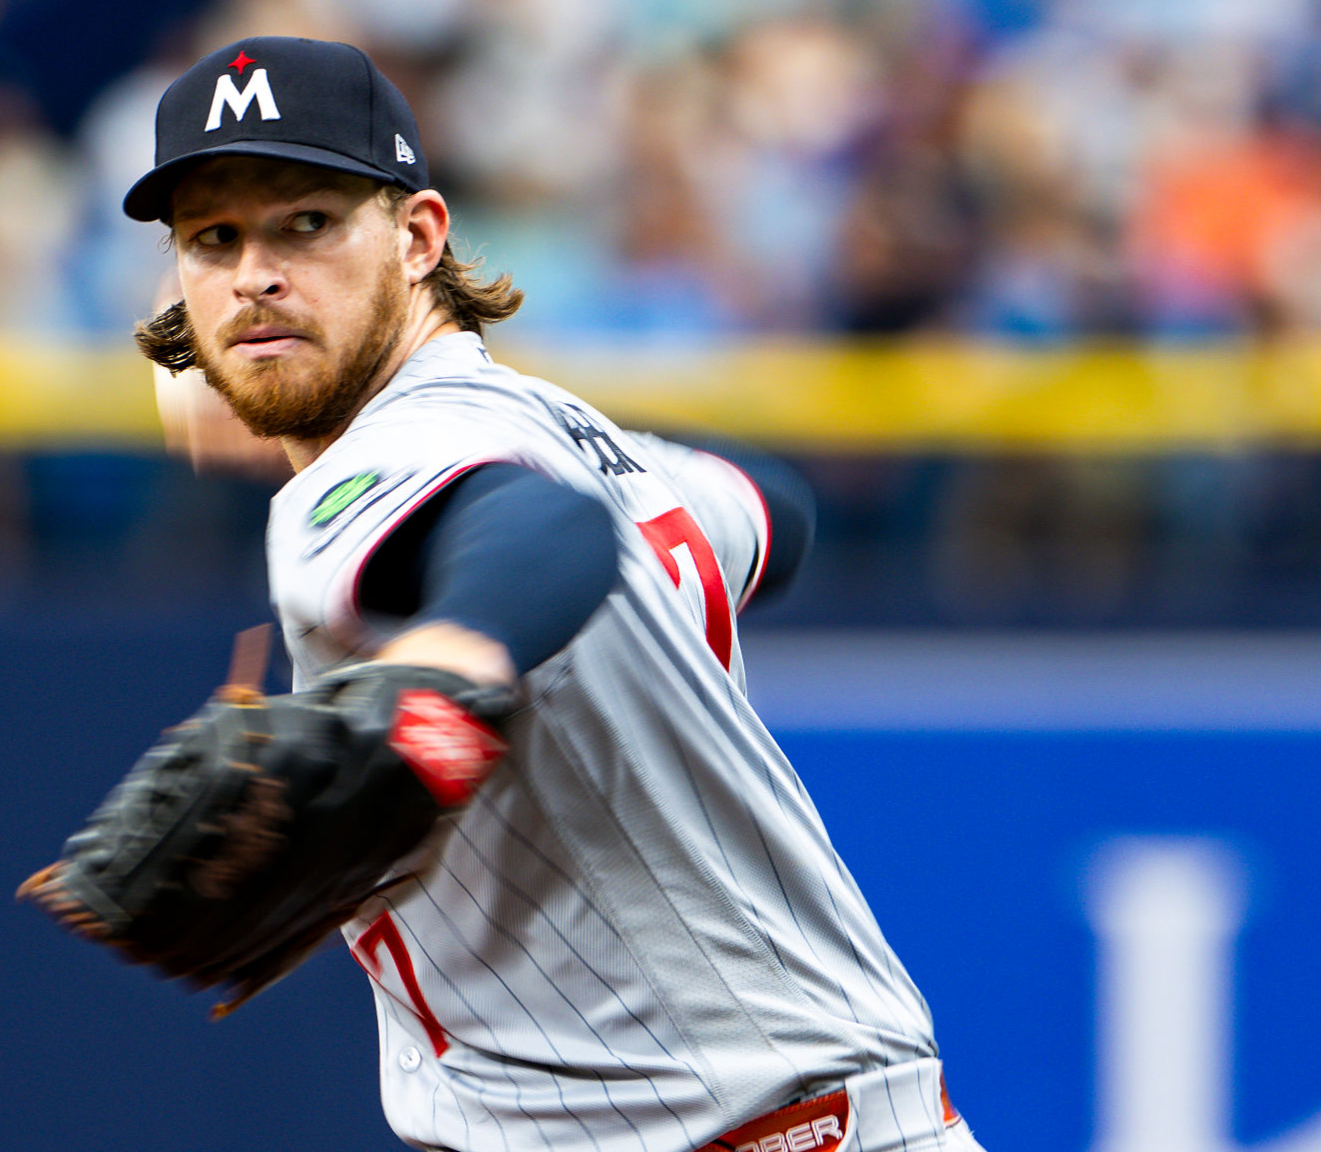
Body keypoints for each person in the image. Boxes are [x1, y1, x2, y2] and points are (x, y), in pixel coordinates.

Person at [122, 35, 985, 1152]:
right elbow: (774, 508)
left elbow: (537, 528)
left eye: (306, 223)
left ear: (418, 237)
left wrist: (441, 682)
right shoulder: (556, 431)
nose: (255, 276)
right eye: (213, 239)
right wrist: (609, 458)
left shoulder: (392, 463)